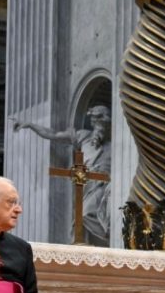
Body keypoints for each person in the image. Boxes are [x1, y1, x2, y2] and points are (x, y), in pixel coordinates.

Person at [12, 105, 111, 246]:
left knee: (87, 213)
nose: (98, 127)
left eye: (101, 123)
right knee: (80, 216)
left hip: (102, 184)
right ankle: (91, 240)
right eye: (95, 122)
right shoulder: (83, 136)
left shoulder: (113, 145)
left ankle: (109, 235)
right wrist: (30, 125)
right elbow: (53, 134)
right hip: (84, 182)